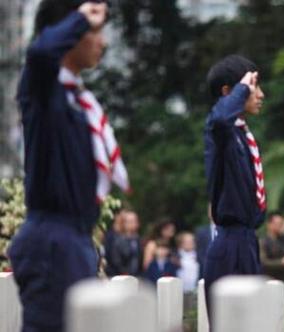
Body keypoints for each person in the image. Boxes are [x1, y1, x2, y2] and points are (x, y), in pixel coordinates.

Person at [7, 2, 130, 330]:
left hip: (75, 239)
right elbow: (41, 55)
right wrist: (80, 18)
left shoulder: (78, 103)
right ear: (67, 32)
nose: (102, 43)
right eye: (94, 32)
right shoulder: (43, 92)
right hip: (52, 241)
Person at [202, 55, 267, 310]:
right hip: (230, 244)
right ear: (229, 92)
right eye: (253, 88)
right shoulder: (221, 132)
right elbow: (219, 119)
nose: (260, 95)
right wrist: (241, 90)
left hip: (248, 240)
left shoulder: (241, 133)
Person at [260, 213, 284, 287]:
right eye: (277, 223)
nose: (280, 226)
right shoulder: (263, 242)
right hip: (271, 281)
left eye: (281, 223)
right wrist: (281, 262)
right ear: (269, 224)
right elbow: (263, 262)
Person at [109, 210, 142, 276]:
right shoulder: (117, 240)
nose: (133, 223)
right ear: (124, 223)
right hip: (122, 278)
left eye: (135, 221)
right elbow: (116, 262)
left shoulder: (138, 240)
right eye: (130, 221)